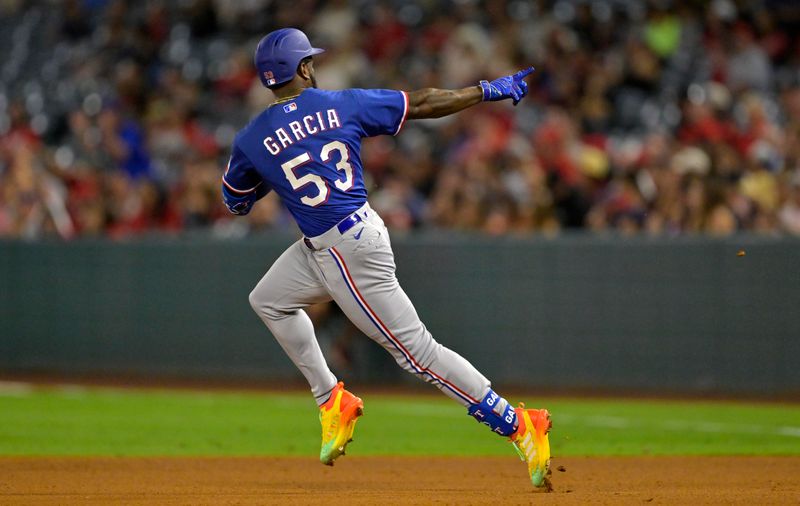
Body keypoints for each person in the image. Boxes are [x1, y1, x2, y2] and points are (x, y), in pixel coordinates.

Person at [222, 28, 551, 489]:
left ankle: (518, 424)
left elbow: (235, 202)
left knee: (417, 353)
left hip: (344, 249)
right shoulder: (339, 104)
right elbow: (422, 103)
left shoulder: (251, 138)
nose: (313, 66)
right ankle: (331, 399)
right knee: (269, 299)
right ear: (301, 69)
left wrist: (270, 169)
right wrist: (484, 90)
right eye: (309, 60)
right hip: (340, 241)